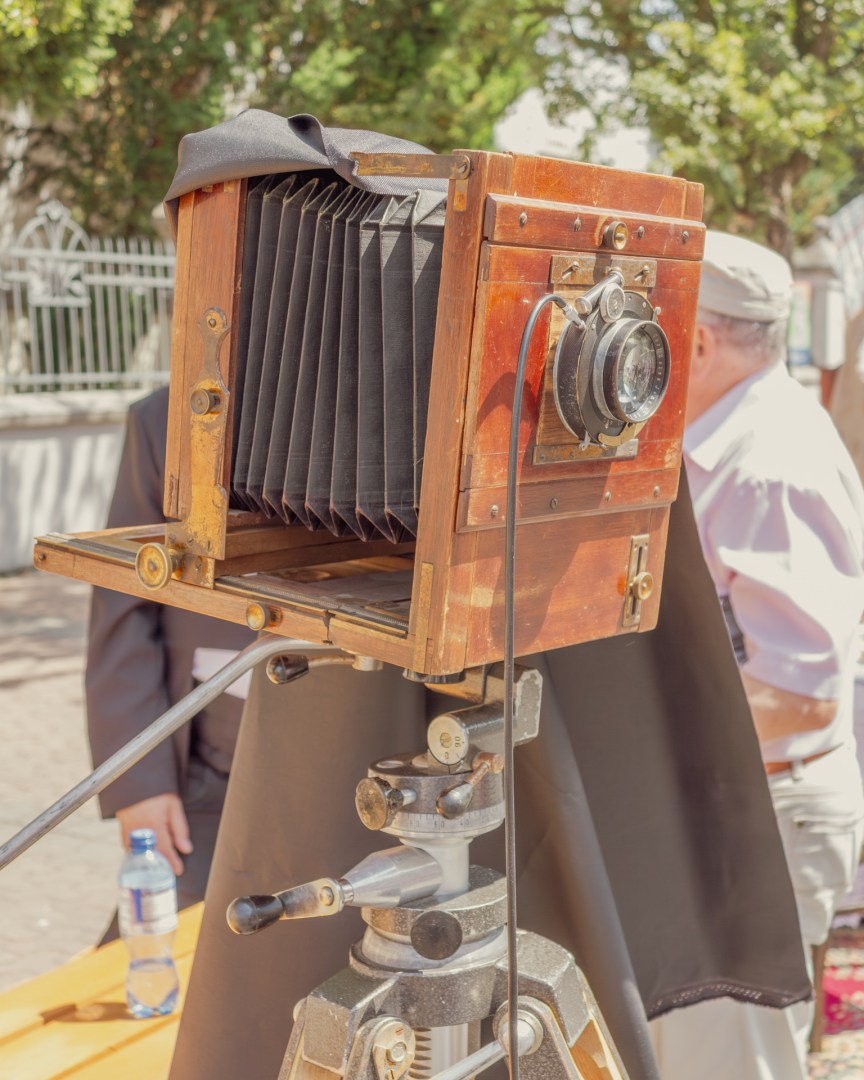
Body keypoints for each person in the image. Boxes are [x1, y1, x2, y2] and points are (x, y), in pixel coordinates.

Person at [650, 231, 864, 1080]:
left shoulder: (767, 467)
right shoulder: (741, 437)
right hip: (742, 803)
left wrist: (636, 719)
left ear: (698, 339)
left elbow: (799, 694)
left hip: (764, 814)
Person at [86, 385, 254, 916]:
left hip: (360, 775)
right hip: (207, 776)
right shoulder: (164, 417)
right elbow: (123, 607)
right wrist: (138, 782)